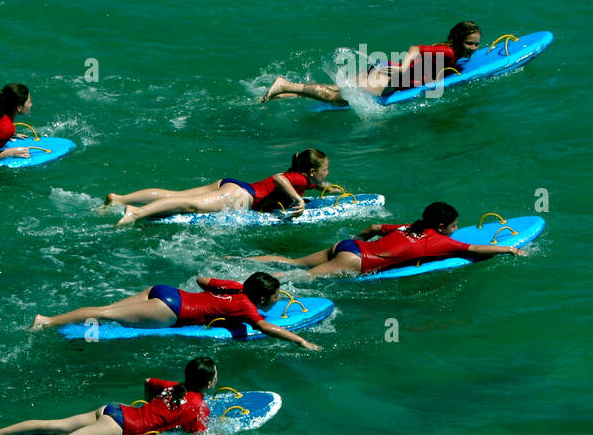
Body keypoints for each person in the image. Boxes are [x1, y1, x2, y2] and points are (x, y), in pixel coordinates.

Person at [0, 358, 219, 435]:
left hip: (113, 409)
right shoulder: (198, 407)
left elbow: (149, 381)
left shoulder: (174, 387)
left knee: (56, 426)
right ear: (208, 383)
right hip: (119, 427)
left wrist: (151, 407)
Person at [30, 272, 321, 350]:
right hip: (172, 311)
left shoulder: (234, 286)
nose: (276, 300)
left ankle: (54, 320)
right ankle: (47, 321)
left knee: (108, 309)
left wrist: (215, 301)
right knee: (105, 314)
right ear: (261, 297)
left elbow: (202, 280)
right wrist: (301, 340)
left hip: (166, 291)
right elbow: (267, 328)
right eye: (274, 297)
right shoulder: (247, 306)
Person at [248, 201, 526, 277]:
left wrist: (356, 238)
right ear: (441, 226)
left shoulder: (411, 226)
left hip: (350, 247)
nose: (456, 229)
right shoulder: (440, 241)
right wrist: (510, 250)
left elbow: (374, 226)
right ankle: (243, 283)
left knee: (292, 262)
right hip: (359, 260)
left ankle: (240, 261)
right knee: (306, 277)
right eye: (453, 226)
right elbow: (475, 248)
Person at [259, 22, 482, 104]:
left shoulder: (451, 54)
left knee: (335, 90)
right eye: (471, 44)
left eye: (476, 44)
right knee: (339, 98)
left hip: (384, 69)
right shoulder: (448, 51)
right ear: (459, 40)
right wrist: (403, 70)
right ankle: (284, 85)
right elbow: (415, 48)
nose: (474, 48)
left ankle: (276, 94)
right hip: (390, 77)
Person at [106, 148, 330, 226]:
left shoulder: (302, 179)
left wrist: (324, 188)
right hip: (240, 197)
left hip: (232, 185)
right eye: (325, 170)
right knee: (189, 205)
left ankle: (120, 199)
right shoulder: (298, 180)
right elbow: (280, 179)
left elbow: (294, 182)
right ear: (311, 172)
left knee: (176, 194)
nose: (327, 174)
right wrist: (300, 201)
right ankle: (137, 212)